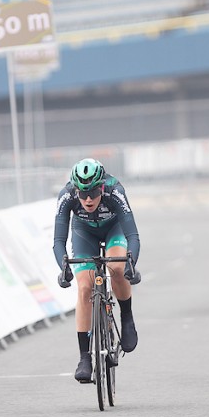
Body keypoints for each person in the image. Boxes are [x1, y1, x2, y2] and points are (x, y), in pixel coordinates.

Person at [53, 158, 141, 383]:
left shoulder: (115, 191)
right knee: (84, 288)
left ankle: (127, 318)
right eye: (83, 195)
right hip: (84, 233)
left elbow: (132, 235)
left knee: (116, 267)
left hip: (114, 229)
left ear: (101, 186)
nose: (88, 199)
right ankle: (84, 358)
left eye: (92, 192)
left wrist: (132, 263)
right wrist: (63, 268)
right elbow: (58, 241)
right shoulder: (66, 195)